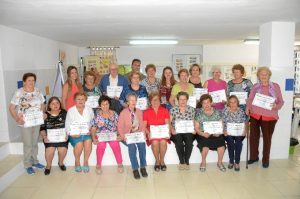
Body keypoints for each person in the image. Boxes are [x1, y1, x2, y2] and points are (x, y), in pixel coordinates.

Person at [246, 67, 284, 168]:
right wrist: (248, 108)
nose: (263, 76)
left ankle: (265, 160)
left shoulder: (275, 86)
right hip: (255, 115)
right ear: (258, 76)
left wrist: (276, 106)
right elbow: (250, 99)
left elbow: (281, 101)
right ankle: (254, 157)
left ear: (269, 75)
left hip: (269, 116)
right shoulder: (255, 86)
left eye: (265, 74)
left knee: (267, 139)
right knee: (253, 138)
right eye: (261, 74)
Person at [9, 73, 46, 175]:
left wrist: (43, 113)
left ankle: (35, 162)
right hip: (25, 123)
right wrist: (17, 119)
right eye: (29, 80)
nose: (31, 82)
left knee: (34, 142)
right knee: (28, 144)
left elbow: (43, 104)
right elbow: (11, 108)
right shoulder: (19, 92)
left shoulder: (38, 91)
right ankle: (27, 165)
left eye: (33, 80)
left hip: (37, 121)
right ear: (24, 81)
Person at [90, 95, 124, 174]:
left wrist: (119, 135)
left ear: (109, 104)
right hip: (101, 136)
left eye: (107, 104)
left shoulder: (114, 113)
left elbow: (119, 125)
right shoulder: (97, 115)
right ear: (99, 105)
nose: (105, 106)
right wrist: (94, 138)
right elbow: (93, 128)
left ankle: (120, 164)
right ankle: (98, 165)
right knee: (101, 146)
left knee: (115, 144)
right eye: (103, 104)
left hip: (112, 135)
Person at [118, 93, 148, 179]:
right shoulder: (123, 112)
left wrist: (143, 135)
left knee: (142, 145)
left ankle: (143, 167)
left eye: (135, 100)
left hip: (138, 134)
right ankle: (135, 168)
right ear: (127, 102)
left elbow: (142, 125)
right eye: (131, 100)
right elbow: (120, 127)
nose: (133, 102)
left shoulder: (139, 111)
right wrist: (124, 137)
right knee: (132, 147)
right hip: (127, 135)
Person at [194, 94, 226, 172]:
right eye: (204, 103)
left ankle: (220, 162)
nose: (206, 104)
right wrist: (202, 134)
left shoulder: (218, 112)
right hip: (203, 133)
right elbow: (196, 128)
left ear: (211, 102)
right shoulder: (198, 113)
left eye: (208, 102)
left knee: (221, 144)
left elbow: (221, 124)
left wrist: (219, 132)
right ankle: (203, 162)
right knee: (205, 145)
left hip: (216, 133)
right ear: (201, 104)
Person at [65, 92, 94, 173]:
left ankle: (85, 162)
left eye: (82, 99)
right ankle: (77, 162)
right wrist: (70, 133)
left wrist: (90, 130)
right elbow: (67, 124)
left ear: (85, 100)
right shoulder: (71, 110)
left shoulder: (89, 109)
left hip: (86, 133)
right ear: (75, 100)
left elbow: (92, 121)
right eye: (78, 99)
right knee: (79, 144)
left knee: (88, 141)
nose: (80, 101)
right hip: (74, 134)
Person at [40, 97, 68, 175]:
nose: (55, 105)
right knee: (50, 150)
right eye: (53, 103)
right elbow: (42, 129)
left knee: (62, 149)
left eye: (57, 103)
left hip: (62, 137)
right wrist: (44, 137)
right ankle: (48, 166)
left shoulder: (64, 113)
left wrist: (67, 134)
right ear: (49, 105)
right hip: (49, 138)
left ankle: (61, 163)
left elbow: (69, 126)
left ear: (60, 104)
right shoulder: (45, 115)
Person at [143, 92, 170, 171]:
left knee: (163, 142)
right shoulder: (146, 112)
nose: (155, 102)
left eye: (157, 100)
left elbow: (167, 123)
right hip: (152, 133)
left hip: (163, 133)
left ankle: (162, 161)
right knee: (154, 142)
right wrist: (148, 133)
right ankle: (157, 162)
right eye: (153, 100)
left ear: (160, 100)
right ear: (150, 101)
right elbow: (144, 126)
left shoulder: (165, 110)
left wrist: (168, 132)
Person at [170, 92, 195, 170]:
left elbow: (193, 121)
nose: (183, 101)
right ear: (178, 100)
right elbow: (168, 122)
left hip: (188, 131)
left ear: (187, 100)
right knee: (179, 142)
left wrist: (194, 129)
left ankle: (186, 160)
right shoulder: (173, 109)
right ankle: (182, 162)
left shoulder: (191, 109)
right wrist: (172, 129)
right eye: (181, 99)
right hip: (176, 131)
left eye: (184, 99)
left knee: (189, 142)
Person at [222, 95, 247, 171]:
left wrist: (245, 131)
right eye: (231, 102)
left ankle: (237, 162)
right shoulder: (225, 110)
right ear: (228, 103)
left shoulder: (241, 111)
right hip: (228, 133)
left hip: (239, 133)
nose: (233, 104)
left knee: (238, 141)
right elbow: (222, 122)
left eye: (234, 102)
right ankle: (231, 161)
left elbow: (245, 122)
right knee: (230, 140)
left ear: (237, 103)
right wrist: (224, 130)